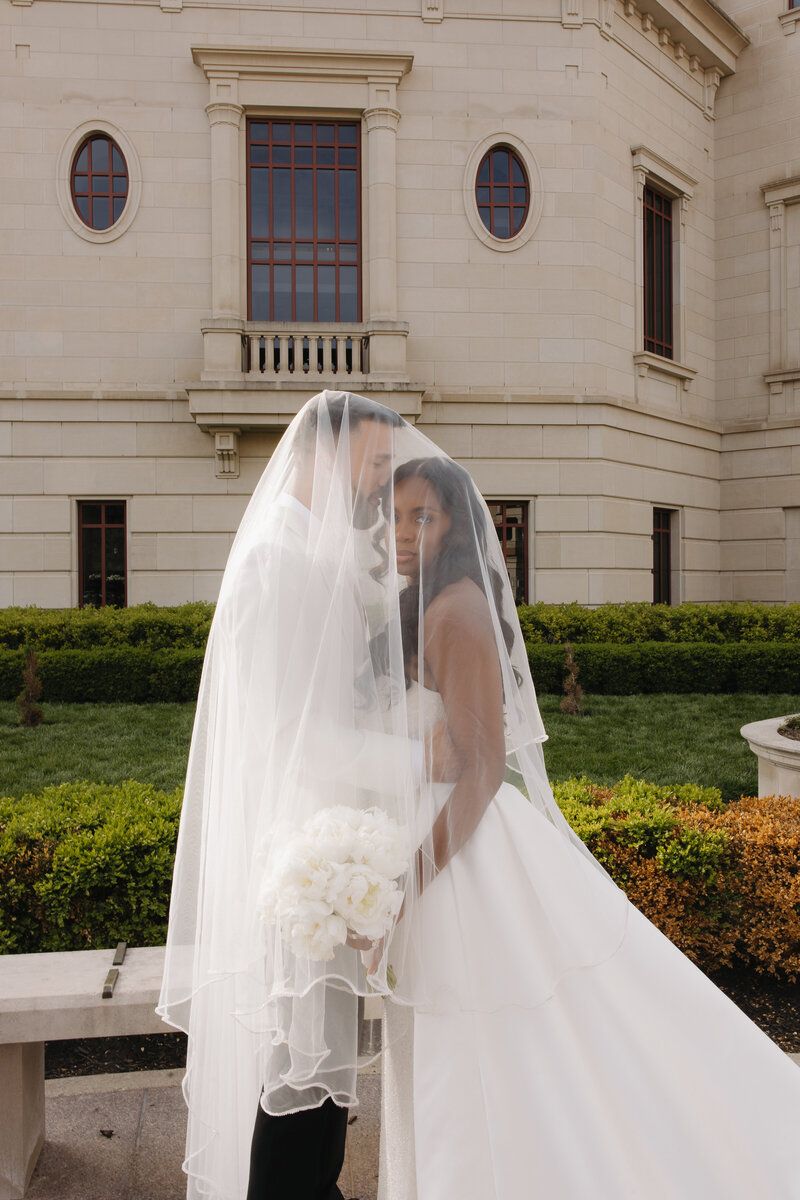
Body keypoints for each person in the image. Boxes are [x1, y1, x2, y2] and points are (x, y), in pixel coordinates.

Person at [375, 454, 800, 1200]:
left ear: (455, 528)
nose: (405, 532)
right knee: (486, 1037)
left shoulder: (457, 611)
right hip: (443, 839)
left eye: (424, 516)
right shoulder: (425, 604)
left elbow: (480, 769)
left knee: (497, 1036)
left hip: (462, 854)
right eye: (397, 515)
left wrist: (406, 883)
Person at [157, 391, 457, 1200]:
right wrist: (424, 752)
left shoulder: (317, 558)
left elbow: (337, 707)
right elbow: (300, 738)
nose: (380, 488)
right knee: (298, 1080)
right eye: (374, 466)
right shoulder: (281, 566)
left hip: (332, 842)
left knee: (318, 1079)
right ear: (323, 455)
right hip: (307, 856)